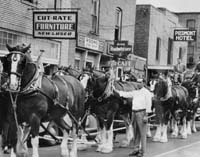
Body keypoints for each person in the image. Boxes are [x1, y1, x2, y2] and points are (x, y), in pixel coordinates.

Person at [112, 84, 152, 157]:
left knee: (142, 133)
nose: (138, 85)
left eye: (139, 83)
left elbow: (149, 104)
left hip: (142, 113)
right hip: (134, 112)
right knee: (136, 132)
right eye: (137, 83)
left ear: (143, 84)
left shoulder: (147, 92)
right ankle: (136, 149)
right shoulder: (135, 92)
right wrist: (114, 89)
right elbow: (124, 94)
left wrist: (146, 115)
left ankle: (142, 151)